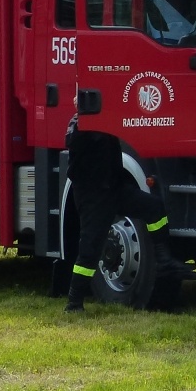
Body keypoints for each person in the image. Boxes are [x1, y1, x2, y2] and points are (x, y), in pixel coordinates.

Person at [64, 114, 172, 313]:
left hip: (115, 189)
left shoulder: (110, 120)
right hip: (93, 196)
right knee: (90, 249)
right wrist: (93, 125)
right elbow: (71, 141)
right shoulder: (77, 124)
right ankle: (74, 302)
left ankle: (164, 260)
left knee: (154, 208)